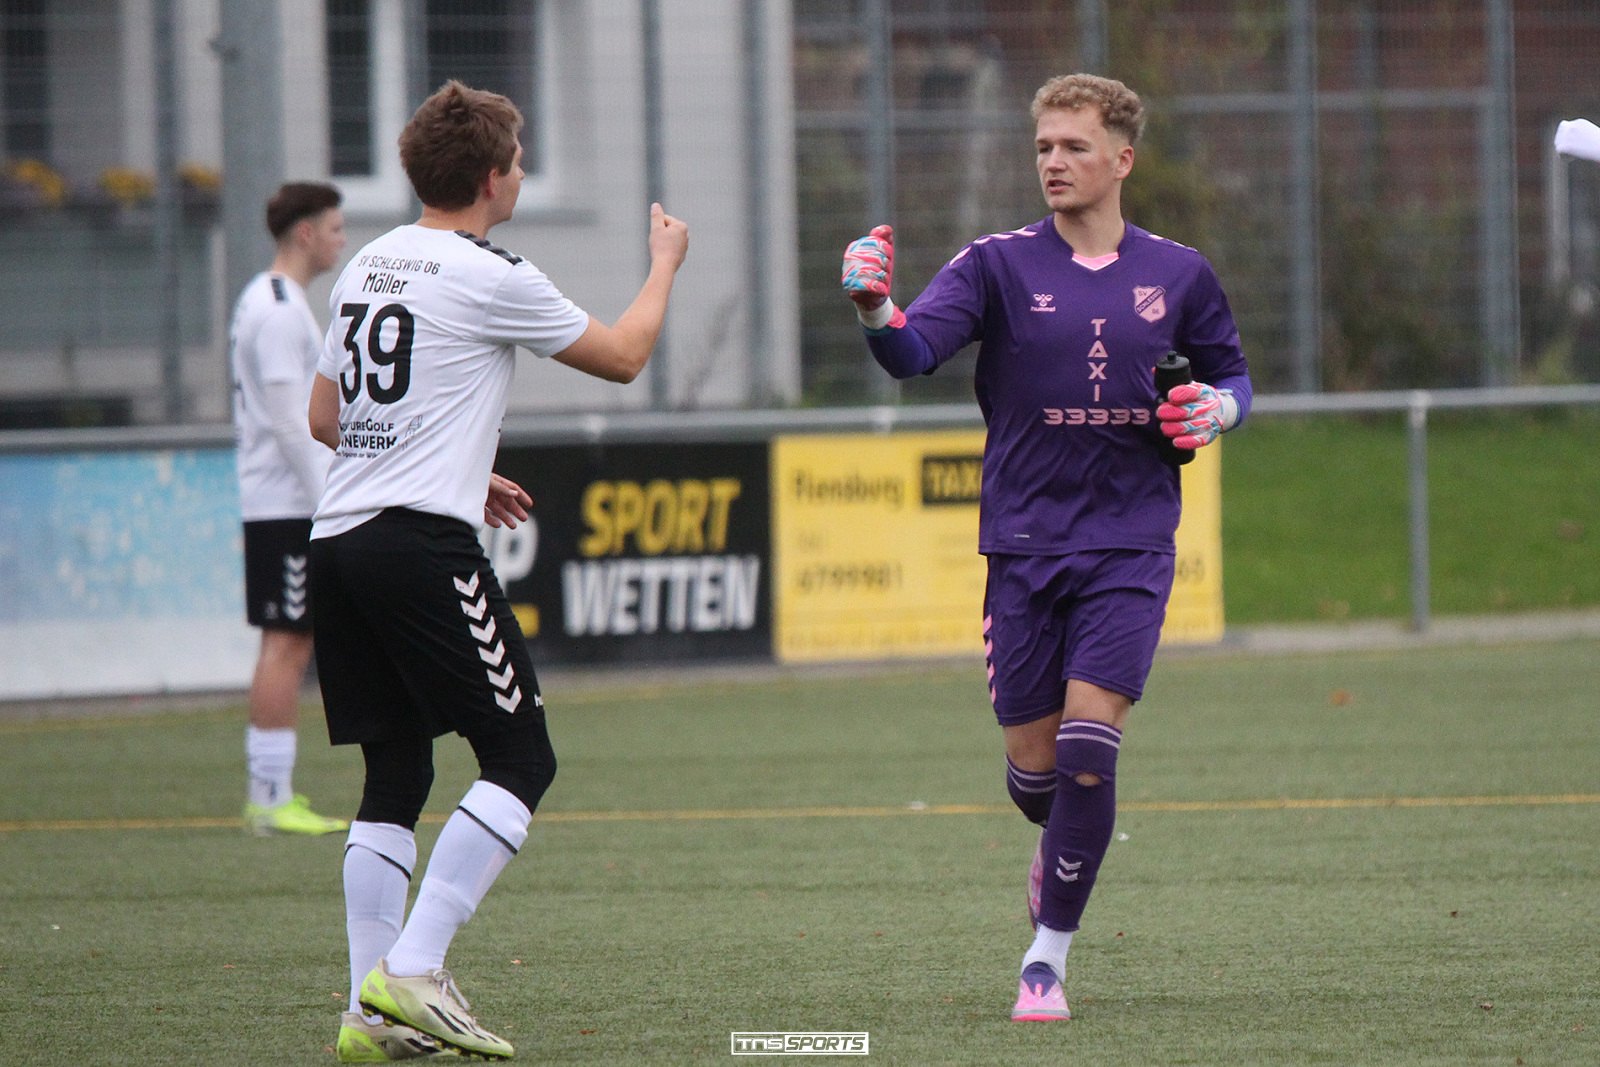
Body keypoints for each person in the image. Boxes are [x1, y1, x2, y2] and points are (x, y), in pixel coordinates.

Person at [840, 73, 1252, 1022]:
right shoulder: (996, 264)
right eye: (1043, 148)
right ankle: (1055, 833)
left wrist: (1216, 410)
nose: (1054, 163)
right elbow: (911, 353)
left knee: (1090, 747)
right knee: (1039, 778)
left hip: (1130, 545)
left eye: (1073, 147)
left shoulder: (1180, 273)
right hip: (1024, 548)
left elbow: (1231, 376)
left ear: (1122, 159)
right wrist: (873, 308)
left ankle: (1045, 960)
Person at [308, 80, 688, 1061]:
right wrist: (663, 264)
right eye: (518, 161)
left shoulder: (369, 261)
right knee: (521, 757)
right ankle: (413, 968)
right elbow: (624, 355)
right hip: (415, 547)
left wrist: (452, 466)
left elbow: (325, 417)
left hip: (340, 540)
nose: (522, 174)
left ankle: (367, 1014)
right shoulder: (491, 273)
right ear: (491, 178)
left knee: (397, 771)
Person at [229, 181, 350, 837]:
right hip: (286, 503)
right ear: (306, 233)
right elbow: (287, 421)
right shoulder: (277, 309)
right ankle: (269, 797)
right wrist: (331, 502)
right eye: (334, 228)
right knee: (286, 642)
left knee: (291, 641)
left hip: (285, 500)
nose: (341, 240)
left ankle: (271, 794)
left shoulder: (275, 300)